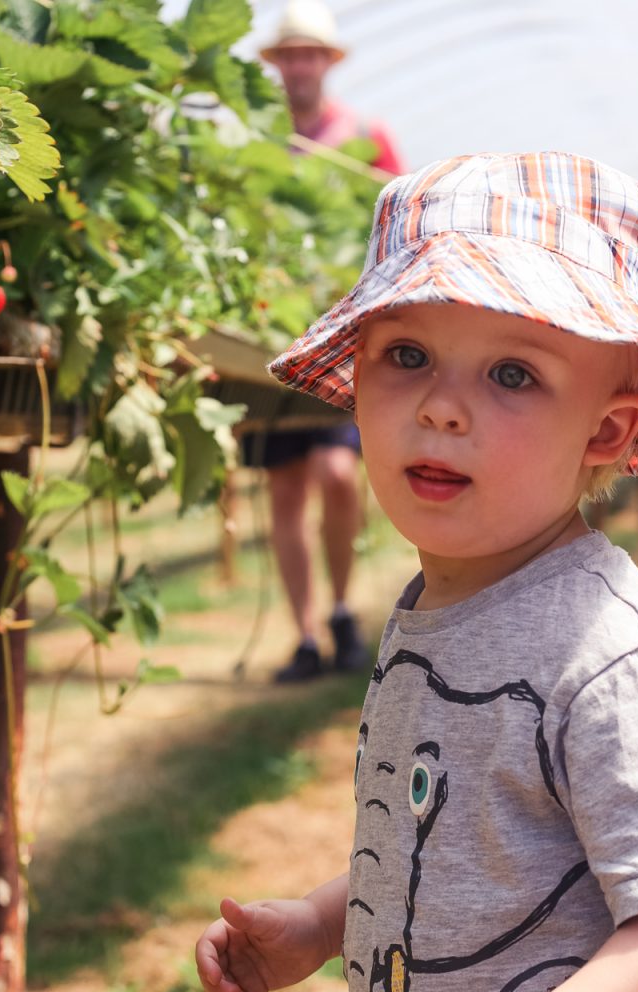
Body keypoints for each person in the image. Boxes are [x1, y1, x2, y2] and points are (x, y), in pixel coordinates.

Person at [196, 152, 638, 992]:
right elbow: (461, 832)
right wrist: (325, 924)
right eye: (406, 353)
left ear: (605, 431)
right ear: (354, 380)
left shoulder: (603, 648)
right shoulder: (437, 606)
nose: (442, 407)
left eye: (511, 374)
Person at [256, 1, 408, 683]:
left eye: (309, 55)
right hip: (265, 329)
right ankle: (305, 635)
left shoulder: (365, 136)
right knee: (284, 491)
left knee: (339, 474)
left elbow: (398, 216)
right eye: (288, 55)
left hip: (341, 332)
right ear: (276, 64)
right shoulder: (259, 144)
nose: (298, 66)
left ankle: (344, 609)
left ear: (328, 62)